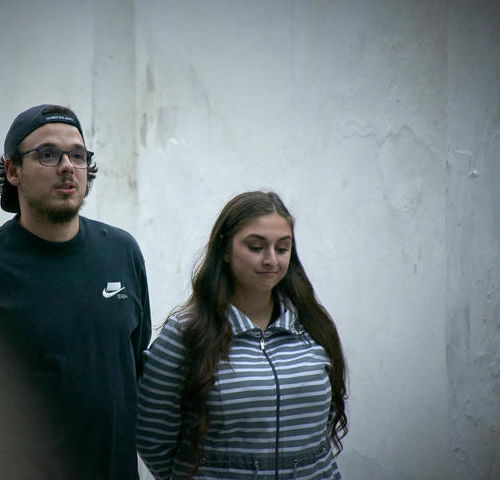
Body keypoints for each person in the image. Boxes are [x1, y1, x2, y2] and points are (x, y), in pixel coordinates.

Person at [0, 104, 151, 480]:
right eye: (48, 154)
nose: (67, 167)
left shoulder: (122, 253)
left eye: (78, 155)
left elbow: (135, 367)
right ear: (13, 171)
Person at [137, 191, 347, 479]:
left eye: (282, 248)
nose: (271, 260)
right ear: (225, 250)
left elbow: (322, 426)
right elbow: (152, 435)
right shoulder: (185, 333)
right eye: (256, 247)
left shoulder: (312, 325)